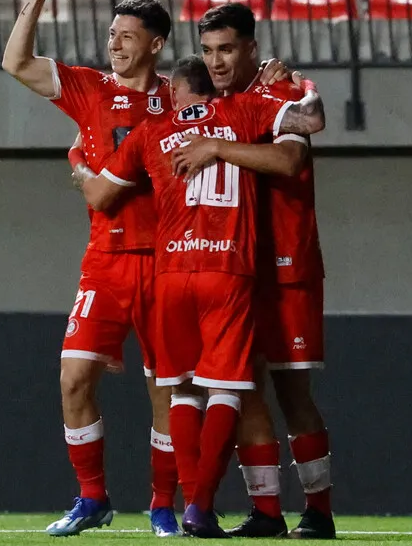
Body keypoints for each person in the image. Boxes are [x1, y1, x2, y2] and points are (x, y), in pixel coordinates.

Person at [77, 55, 326, 537]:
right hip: (227, 269)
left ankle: (191, 501)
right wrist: (305, 86)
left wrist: (77, 162)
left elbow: (100, 194)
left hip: (170, 274)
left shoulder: (152, 129)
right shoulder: (244, 111)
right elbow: (310, 121)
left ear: (175, 93)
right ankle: (201, 508)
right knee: (228, 390)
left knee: (183, 391)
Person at [2, 0, 181, 537]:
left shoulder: (177, 98)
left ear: (154, 44)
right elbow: (16, 63)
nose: (115, 43)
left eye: (127, 36)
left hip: (165, 260)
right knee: (74, 378)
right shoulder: (88, 88)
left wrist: (83, 172)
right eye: (111, 34)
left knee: (165, 391)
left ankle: (161, 506)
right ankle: (92, 499)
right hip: (105, 259)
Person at [176, 2, 335, 539]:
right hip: (236, 267)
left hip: (286, 263)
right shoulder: (220, 105)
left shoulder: (282, 94)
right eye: (208, 51)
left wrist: (219, 148)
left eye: (226, 49)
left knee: (292, 392)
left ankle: (319, 511)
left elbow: (292, 161)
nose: (216, 61)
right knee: (241, 391)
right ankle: (266, 512)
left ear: (251, 47)